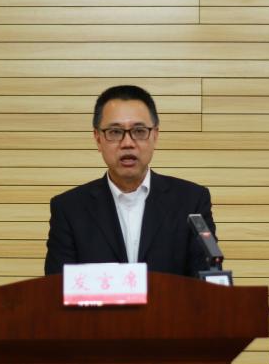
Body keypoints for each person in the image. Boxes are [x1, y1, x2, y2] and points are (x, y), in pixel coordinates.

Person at [44, 85, 216, 277]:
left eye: (139, 131)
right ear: (98, 139)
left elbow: (208, 280)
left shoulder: (191, 201)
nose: (127, 143)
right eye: (115, 132)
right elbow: (56, 287)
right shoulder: (69, 209)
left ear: (155, 136)